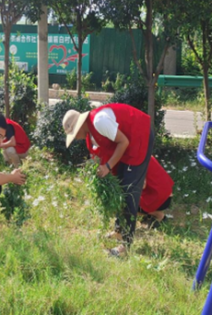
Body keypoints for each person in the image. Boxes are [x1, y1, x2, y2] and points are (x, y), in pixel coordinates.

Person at [63, 103, 154, 257]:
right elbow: (103, 150)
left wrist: (107, 166)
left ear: (80, 126)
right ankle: (119, 230)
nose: (75, 138)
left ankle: (125, 246)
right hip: (127, 143)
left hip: (139, 136)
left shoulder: (99, 122)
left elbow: (123, 142)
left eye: (74, 134)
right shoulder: (90, 135)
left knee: (128, 192)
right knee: (120, 187)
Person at [87, 137, 173, 231]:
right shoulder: (126, 150)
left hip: (160, 196)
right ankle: (149, 213)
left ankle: (158, 215)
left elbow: (140, 184)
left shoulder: (129, 159)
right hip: (162, 192)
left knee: (123, 203)